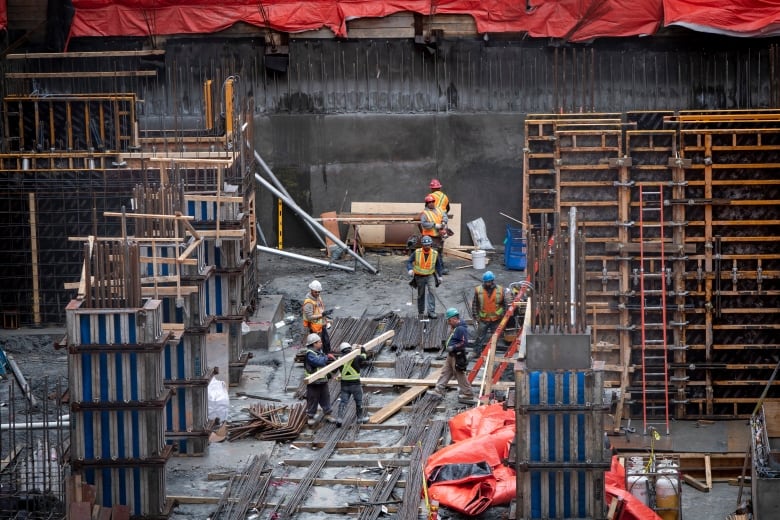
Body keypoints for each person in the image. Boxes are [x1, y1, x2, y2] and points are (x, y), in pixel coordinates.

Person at [429, 308, 475, 404]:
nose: (448, 323)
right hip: (451, 355)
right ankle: (438, 390)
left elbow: (464, 342)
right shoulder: (455, 327)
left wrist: (453, 347)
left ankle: (468, 394)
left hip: (457, 355)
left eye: (449, 320)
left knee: (459, 374)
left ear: (454, 319)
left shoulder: (461, 328)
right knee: (445, 372)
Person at [471, 270, 508, 357]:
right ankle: (477, 352)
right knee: (479, 337)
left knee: (495, 337)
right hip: (483, 319)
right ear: (484, 281)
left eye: (489, 281)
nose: (488, 283)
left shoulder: (500, 290)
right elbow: (475, 305)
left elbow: (505, 304)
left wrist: (502, 315)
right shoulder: (478, 290)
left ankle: (491, 353)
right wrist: (477, 317)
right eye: (486, 282)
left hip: (496, 319)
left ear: (492, 281)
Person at [303, 333, 337, 426]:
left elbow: (324, 366)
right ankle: (310, 416)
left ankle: (328, 414)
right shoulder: (310, 354)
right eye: (319, 342)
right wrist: (327, 357)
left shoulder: (320, 352)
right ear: (314, 344)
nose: (321, 343)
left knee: (325, 397)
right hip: (313, 382)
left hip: (322, 381)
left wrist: (331, 374)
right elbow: (318, 362)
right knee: (313, 398)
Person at [407, 235, 443, 319]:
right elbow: (409, 261)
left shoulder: (435, 253)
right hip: (419, 276)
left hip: (430, 275)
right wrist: (410, 269)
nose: (427, 246)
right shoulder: (417, 252)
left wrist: (440, 276)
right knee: (421, 294)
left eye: (428, 245)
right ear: (422, 245)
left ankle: (431, 312)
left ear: (431, 244)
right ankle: (421, 312)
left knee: (432, 292)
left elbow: (438, 265)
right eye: (425, 245)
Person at [335, 342, 369, 427]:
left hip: (345, 386)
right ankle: (360, 418)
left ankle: (339, 419)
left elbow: (334, 369)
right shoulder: (356, 357)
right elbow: (364, 357)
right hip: (356, 385)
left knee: (343, 402)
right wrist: (363, 349)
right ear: (350, 349)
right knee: (359, 402)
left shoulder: (339, 359)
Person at [420, 194, 450, 274]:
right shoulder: (425, 213)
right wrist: (434, 225)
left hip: (439, 236)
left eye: (433, 201)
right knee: (435, 253)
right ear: (427, 203)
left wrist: (444, 221)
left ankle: (436, 268)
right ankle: (439, 269)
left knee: (439, 252)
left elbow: (445, 216)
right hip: (430, 236)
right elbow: (423, 223)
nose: (432, 203)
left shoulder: (439, 209)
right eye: (429, 202)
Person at [302, 279, 332, 354]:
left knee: (326, 343)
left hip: (321, 325)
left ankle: (326, 354)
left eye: (319, 292)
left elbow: (320, 309)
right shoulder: (308, 302)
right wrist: (322, 315)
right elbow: (309, 317)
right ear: (311, 290)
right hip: (313, 328)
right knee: (318, 345)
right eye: (316, 292)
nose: (317, 293)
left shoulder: (318, 298)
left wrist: (325, 318)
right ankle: (319, 357)